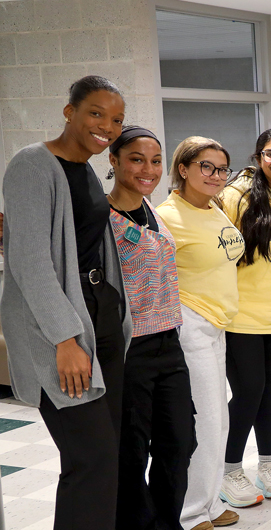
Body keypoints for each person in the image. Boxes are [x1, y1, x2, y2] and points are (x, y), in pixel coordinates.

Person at [1, 76, 132, 530]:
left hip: (100, 316)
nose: (107, 127)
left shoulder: (88, 168)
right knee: (90, 457)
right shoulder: (33, 164)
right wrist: (65, 338)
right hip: (61, 326)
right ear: (69, 111)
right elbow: (30, 261)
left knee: (107, 457)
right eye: (96, 113)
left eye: (116, 119)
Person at [107, 126, 196, 530]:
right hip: (130, 349)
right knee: (131, 450)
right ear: (114, 161)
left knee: (180, 441)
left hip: (169, 343)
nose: (148, 169)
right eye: (136, 159)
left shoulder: (153, 211)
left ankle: (166, 523)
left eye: (155, 160)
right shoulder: (101, 220)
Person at [216, 129, 271, 507]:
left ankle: (268, 466)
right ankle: (228, 470)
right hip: (241, 316)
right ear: (258, 157)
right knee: (250, 390)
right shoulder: (235, 196)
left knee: (270, 391)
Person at [158, 136, 243, 530]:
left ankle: (208, 503)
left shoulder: (215, 207)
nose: (215, 175)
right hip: (190, 323)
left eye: (221, 168)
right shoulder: (167, 215)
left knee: (218, 419)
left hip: (218, 324)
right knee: (204, 421)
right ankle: (190, 512)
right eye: (206, 166)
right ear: (184, 169)